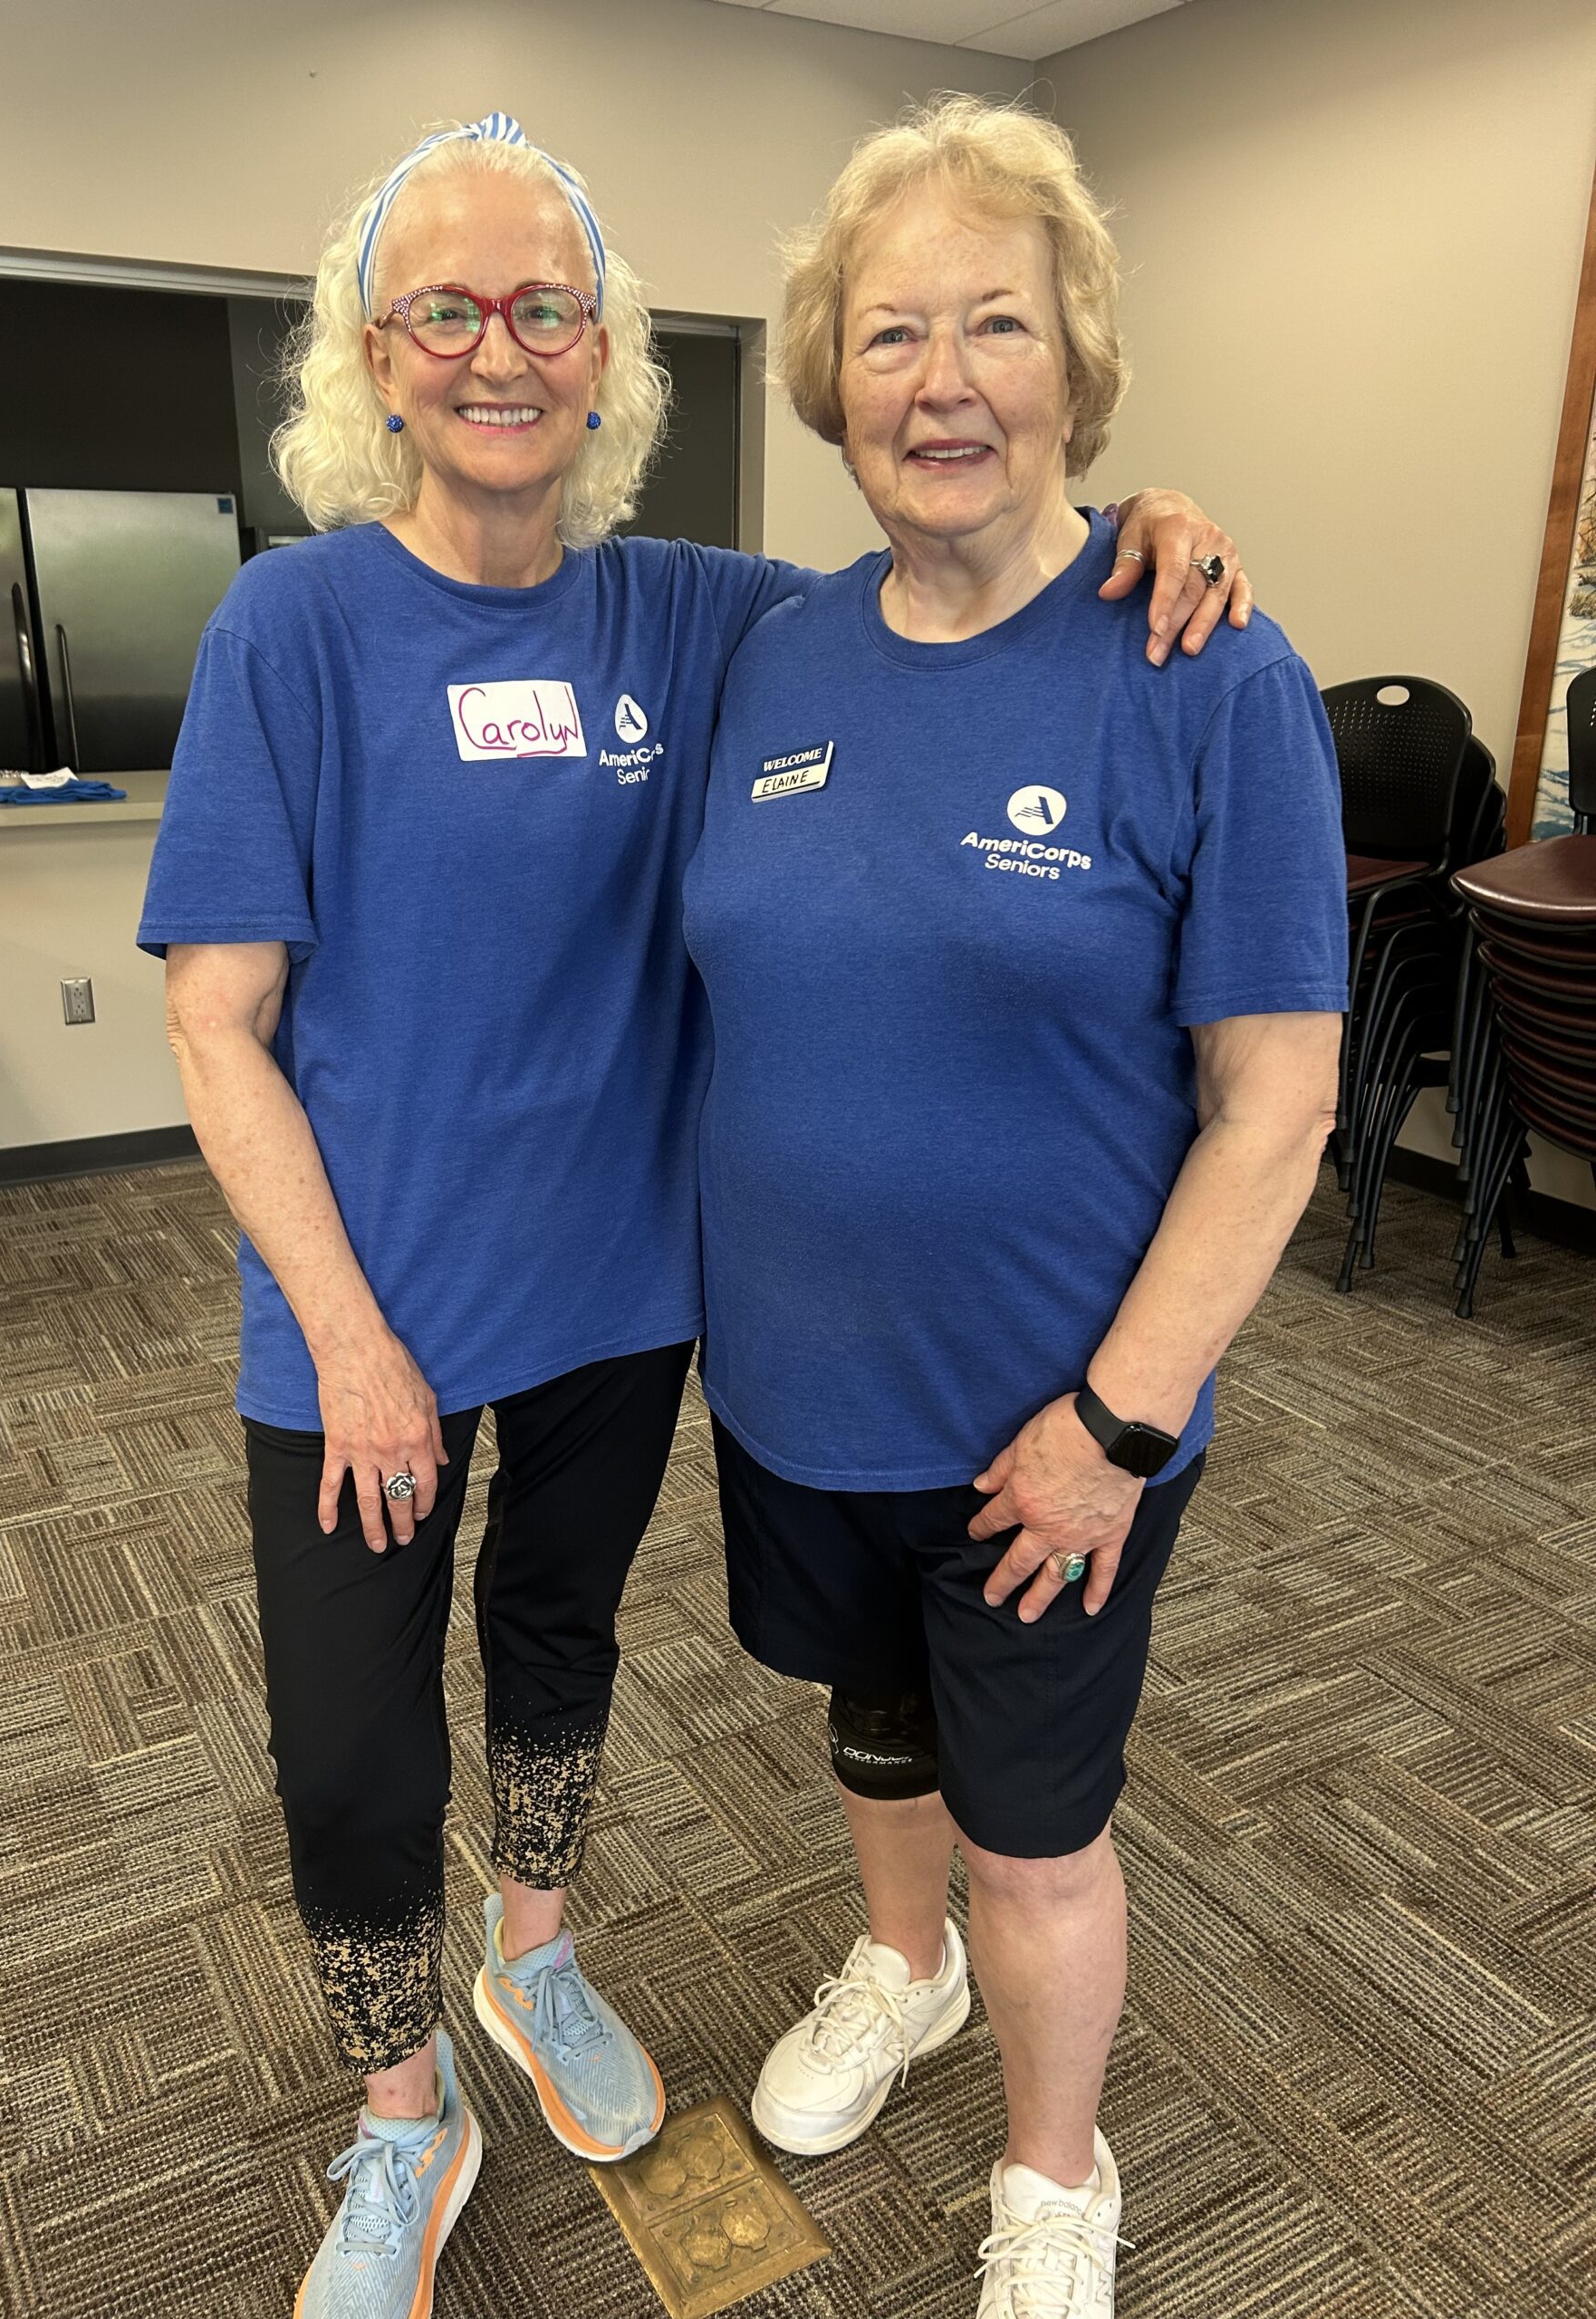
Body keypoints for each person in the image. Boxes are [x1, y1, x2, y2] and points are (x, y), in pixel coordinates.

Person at [137, 108, 1248, 2319]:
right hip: (363, 1322)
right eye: (446, 310)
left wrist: (1151, 521)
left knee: (558, 1657)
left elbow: (956, 572)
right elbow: (214, 1026)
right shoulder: (294, 623)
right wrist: (350, 1334)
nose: (499, 351)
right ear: (376, 353)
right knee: (354, 1741)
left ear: (606, 352)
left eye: (548, 307)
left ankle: (534, 1968)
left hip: (621, 1299)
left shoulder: (699, 616)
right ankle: (399, 2115)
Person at [683, 95, 1349, 2319]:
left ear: (1076, 364)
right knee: (876, 1732)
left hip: (1050, 1425)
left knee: (1036, 1828)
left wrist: (1122, 1423)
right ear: (827, 385)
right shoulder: (761, 654)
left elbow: (1278, 1098)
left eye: (997, 325)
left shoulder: (1208, 670)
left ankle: (1060, 2171)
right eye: (891, 336)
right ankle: (900, 1969)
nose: (942, 379)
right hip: (795, 1389)